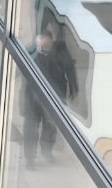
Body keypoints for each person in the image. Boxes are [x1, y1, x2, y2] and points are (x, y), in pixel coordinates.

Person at [22, 31, 78, 167]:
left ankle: (46, 151)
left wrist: (73, 88)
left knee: (50, 125)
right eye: (38, 38)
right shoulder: (32, 51)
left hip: (53, 96)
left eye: (43, 38)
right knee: (30, 126)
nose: (40, 41)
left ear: (50, 40)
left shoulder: (60, 51)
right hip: (33, 95)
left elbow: (70, 69)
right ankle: (30, 158)